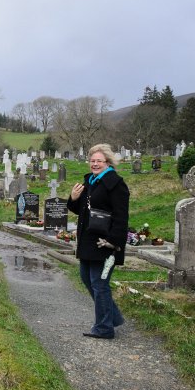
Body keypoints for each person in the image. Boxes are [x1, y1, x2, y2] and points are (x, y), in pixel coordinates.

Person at [67, 143, 129, 339]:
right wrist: (73, 198)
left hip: (105, 244)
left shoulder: (116, 184)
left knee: (99, 283)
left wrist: (113, 241)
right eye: (92, 161)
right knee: (87, 278)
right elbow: (82, 211)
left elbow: (121, 216)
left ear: (108, 162)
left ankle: (104, 328)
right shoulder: (90, 181)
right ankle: (113, 317)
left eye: (99, 161)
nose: (95, 164)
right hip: (88, 242)